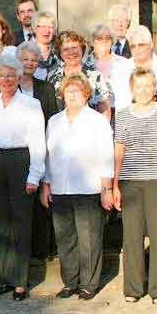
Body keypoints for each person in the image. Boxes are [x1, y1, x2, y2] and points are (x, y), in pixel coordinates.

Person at [0, 53, 46, 301]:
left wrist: (34, 176)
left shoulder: (31, 104)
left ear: (18, 77)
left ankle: (20, 281)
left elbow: (38, 142)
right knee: (0, 223)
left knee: (21, 223)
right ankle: (5, 277)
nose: (6, 79)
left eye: (10, 75)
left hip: (20, 162)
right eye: (1, 75)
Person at [41, 74, 114, 300]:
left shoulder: (97, 120)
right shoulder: (54, 121)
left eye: (77, 91)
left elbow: (106, 154)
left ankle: (88, 284)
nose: (72, 95)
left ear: (86, 95)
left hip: (89, 188)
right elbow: (48, 155)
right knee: (65, 239)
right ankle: (70, 282)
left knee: (89, 239)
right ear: (62, 95)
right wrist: (46, 184)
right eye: (68, 91)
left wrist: (106, 188)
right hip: (60, 189)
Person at [113, 68, 157, 304]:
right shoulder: (122, 115)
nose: (143, 90)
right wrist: (115, 185)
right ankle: (133, 288)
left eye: (148, 86)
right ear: (132, 89)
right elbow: (119, 152)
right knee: (131, 237)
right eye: (139, 86)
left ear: (154, 88)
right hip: (130, 183)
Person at [13, 42, 59, 259]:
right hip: (19, 153)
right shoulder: (9, 88)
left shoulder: (46, 88)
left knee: (42, 198)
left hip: (41, 149)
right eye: (25, 60)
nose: (30, 64)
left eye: (33, 60)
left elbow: (51, 121)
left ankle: (42, 249)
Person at [47, 31, 111, 120]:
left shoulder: (95, 75)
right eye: (66, 49)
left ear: (82, 49)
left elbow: (105, 108)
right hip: (61, 128)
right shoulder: (52, 76)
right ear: (60, 54)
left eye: (74, 47)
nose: (71, 52)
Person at [112, 25, 157, 111]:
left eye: (141, 45)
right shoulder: (120, 70)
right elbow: (120, 104)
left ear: (151, 45)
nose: (137, 49)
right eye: (133, 46)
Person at [88, 24, 130, 109]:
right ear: (92, 42)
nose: (104, 41)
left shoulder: (124, 63)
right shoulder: (84, 65)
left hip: (119, 112)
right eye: (99, 38)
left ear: (112, 41)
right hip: (92, 113)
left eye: (108, 38)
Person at [30, 11, 59, 80]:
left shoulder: (59, 52)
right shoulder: (25, 51)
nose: (47, 30)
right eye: (43, 26)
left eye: (50, 27)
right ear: (35, 29)